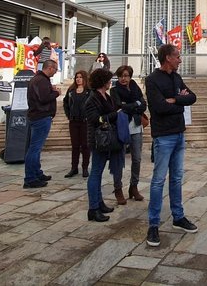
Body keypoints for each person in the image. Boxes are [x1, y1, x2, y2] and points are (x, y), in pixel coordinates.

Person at [143, 44, 198, 247]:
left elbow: (192, 97)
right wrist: (179, 103)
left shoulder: (176, 77)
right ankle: (153, 224)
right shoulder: (152, 80)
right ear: (167, 57)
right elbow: (158, 107)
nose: (180, 60)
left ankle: (178, 216)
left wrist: (174, 100)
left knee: (176, 178)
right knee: (158, 180)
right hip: (163, 136)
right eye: (177, 56)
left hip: (179, 134)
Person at [85, 68, 121, 222]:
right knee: (95, 172)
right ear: (103, 81)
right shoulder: (92, 99)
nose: (110, 82)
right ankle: (93, 209)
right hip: (98, 140)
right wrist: (113, 115)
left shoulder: (106, 96)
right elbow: (95, 119)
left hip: (107, 139)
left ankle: (99, 203)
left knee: (98, 173)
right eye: (108, 79)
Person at [111, 65, 147, 202]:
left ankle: (134, 186)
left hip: (136, 126)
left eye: (126, 76)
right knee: (119, 159)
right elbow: (119, 106)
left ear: (130, 76)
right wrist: (135, 104)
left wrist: (130, 105)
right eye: (120, 76)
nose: (123, 78)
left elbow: (143, 105)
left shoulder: (135, 88)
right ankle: (118, 188)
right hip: (122, 127)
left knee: (136, 158)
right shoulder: (114, 90)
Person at [24, 59, 60, 189]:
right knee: (34, 148)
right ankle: (30, 178)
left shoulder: (37, 79)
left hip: (37, 116)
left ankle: (37, 173)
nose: (55, 72)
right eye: (55, 70)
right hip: (41, 116)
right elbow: (44, 98)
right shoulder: (41, 80)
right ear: (49, 68)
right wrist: (56, 93)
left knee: (36, 148)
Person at [62, 70, 91, 178]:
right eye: (77, 77)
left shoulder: (89, 91)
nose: (78, 79)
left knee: (85, 145)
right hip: (74, 121)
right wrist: (69, 115)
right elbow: (66, 103)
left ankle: (85, 168)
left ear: (84, 78)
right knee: (75, 145)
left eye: (80, 77)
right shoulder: (71, 90)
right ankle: (74, 168)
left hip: (85, 121)